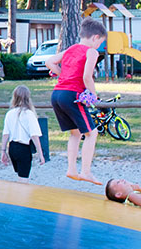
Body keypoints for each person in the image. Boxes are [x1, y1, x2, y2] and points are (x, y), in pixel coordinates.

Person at [45, 18, 108, 185]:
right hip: (72, 95)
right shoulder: (91, 52)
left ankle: (71, 169)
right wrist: (93, 95)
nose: (99, 47)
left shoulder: (70, 49)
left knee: (75, 133)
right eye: (100, 43)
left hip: (57, 95)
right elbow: (87, 76)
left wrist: (62, 75)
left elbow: (49, 62)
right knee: (91, 133)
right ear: (95, 37)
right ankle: (86, 171)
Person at [0, 85, 43, 180]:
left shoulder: (10, 113)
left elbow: (5, 134)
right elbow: (34, 135)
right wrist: (41, 154)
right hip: (23, 147)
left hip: (12, 148)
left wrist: (3, 151)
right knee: (24, 178)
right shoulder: (29, 114)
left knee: (19, 174)